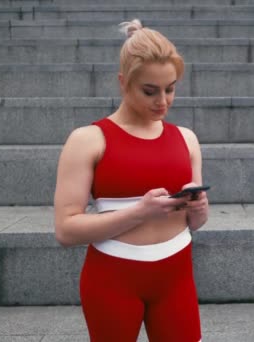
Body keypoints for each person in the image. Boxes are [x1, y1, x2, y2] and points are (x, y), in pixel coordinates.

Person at [53, 19, 208, 342]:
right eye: (150, 91)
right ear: (123, 83)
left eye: (171, 88)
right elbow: (66, 231)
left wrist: (198, 207)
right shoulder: (89, 139)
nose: (162, 101)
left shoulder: (187, 139)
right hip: (112, 278)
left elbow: (196, 222)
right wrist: (140, 212)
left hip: (176, 275)